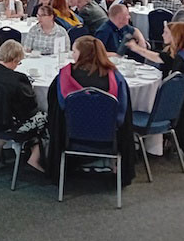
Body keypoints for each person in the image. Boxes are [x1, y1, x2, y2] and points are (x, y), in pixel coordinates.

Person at [46, 36, 135, 185]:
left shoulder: (64, 76)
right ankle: (113, 165)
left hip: (72, 135)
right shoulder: (115, 77)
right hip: (108, 137)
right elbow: (122, 113)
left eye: (74, 51)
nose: (72, 54)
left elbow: (57, 108)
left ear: (82, 54)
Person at [125, 22, 184, 158]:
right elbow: (161, 58)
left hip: (182, 109)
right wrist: (137, 49)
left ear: (176, 37)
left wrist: (135, 48)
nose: (163, 35)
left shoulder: (182, 59)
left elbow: (163, 61)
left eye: (166, 33)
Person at [0, 40, 46, 172]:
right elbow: (30, 107)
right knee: (45, 116)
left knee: (3, 111)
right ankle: (35, 155)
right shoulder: (18, 79)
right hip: (10, 126)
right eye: (19, 62)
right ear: (14, 60)